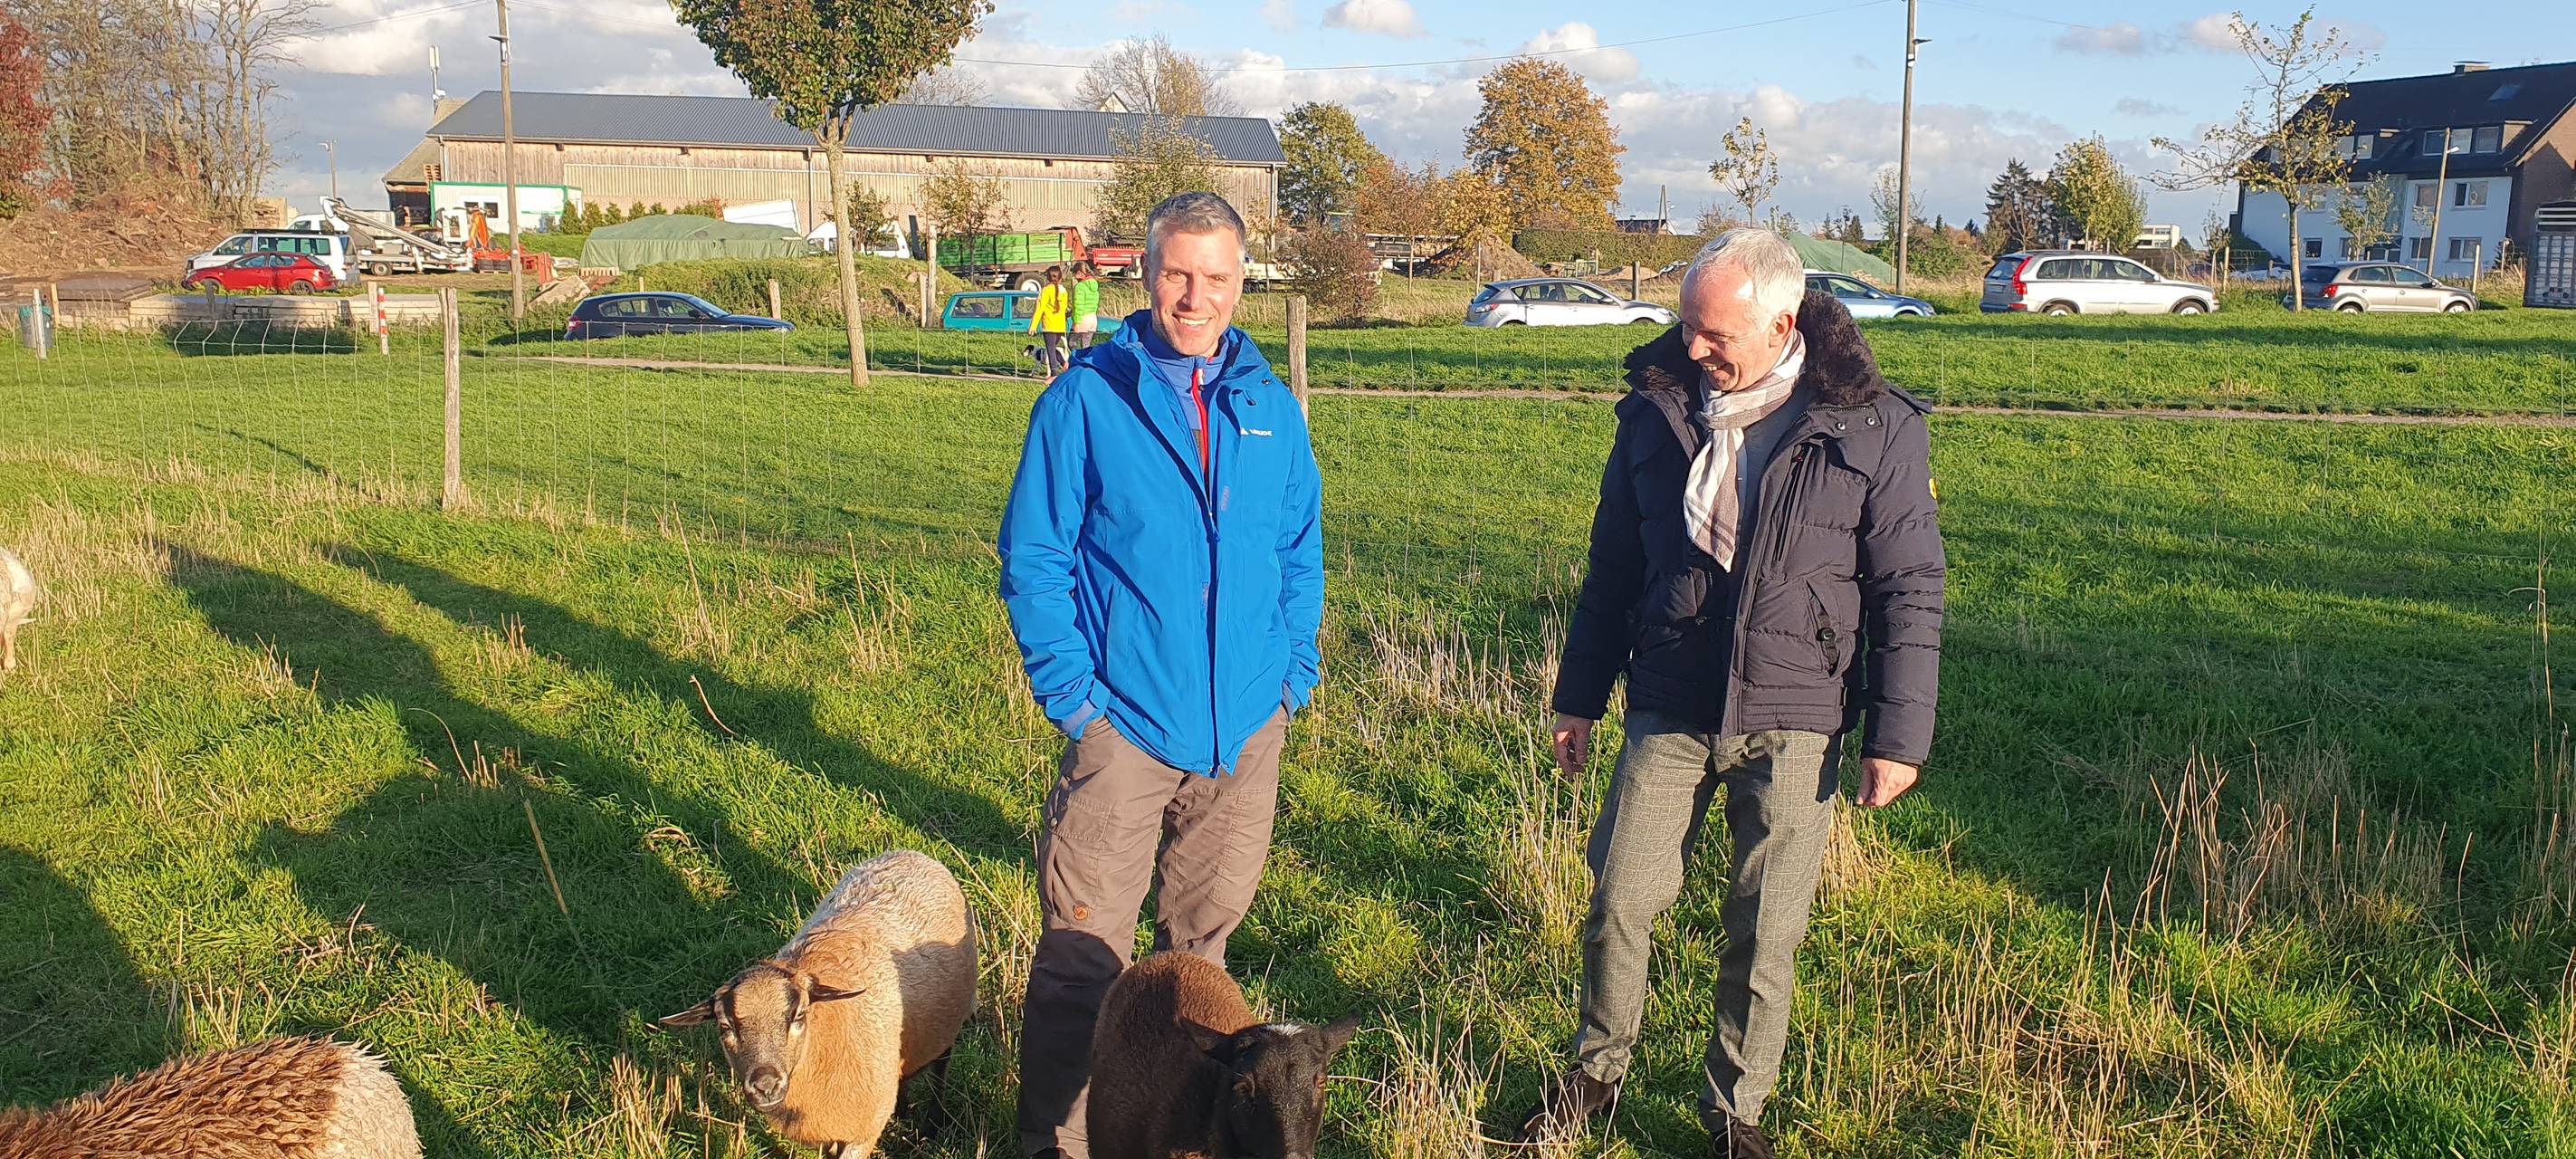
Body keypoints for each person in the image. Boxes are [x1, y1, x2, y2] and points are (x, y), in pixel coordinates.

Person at [1515, 228, 1946, 1158]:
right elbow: (1613, 564)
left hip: (1796, 711)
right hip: (1670, 694)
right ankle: (1595, 1071)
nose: (1694, 347)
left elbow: (1908, 584)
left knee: (1765, 925)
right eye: (1687, 325)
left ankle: (1733, 1111)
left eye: (1715, 333)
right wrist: (1577, 695)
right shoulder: (1655, 409)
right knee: (1620, 896)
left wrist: (1897, 735)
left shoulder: (1874, 424)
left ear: (1782, 324)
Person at [997, 191, 1324, 1159]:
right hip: (1125, 728)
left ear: (1240, 282)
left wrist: (1290, 675)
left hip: (1245, 729)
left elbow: (1299, 551)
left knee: (1199, 970)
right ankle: (1054, 1141)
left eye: (1215, 277)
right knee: (1081, 960)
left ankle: (1176, 1138)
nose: (1195, 296)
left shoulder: (1270, 410)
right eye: (1177, 273)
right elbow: (1035, 557)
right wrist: (1075, 699)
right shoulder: (1084, 401)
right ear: (1144, 274)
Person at [1029, 264, 1071, 378]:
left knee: (1050, 350)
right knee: (1053, 348)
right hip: (1060, 325)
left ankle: (1054, 373)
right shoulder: (1064, 291)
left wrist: (1033, 325)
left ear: (1048, 278)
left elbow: (1040, 309)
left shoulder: (1045, 290)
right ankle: (1063, 362)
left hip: (1049, 325)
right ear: (1060, 278)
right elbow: (1064, 308)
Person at [1070, 260, 1102, 348]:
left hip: (1082, 319)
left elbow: (1079, 306)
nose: (1074, 276)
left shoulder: (1080, 287)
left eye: (1074, 273)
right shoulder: (1094, 285)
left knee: (1071, 343)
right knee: (1086, 346)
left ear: (1079, 273)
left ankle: (1075, 357)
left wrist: (1076, 322)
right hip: (1093, 318)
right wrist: (1070, 313)